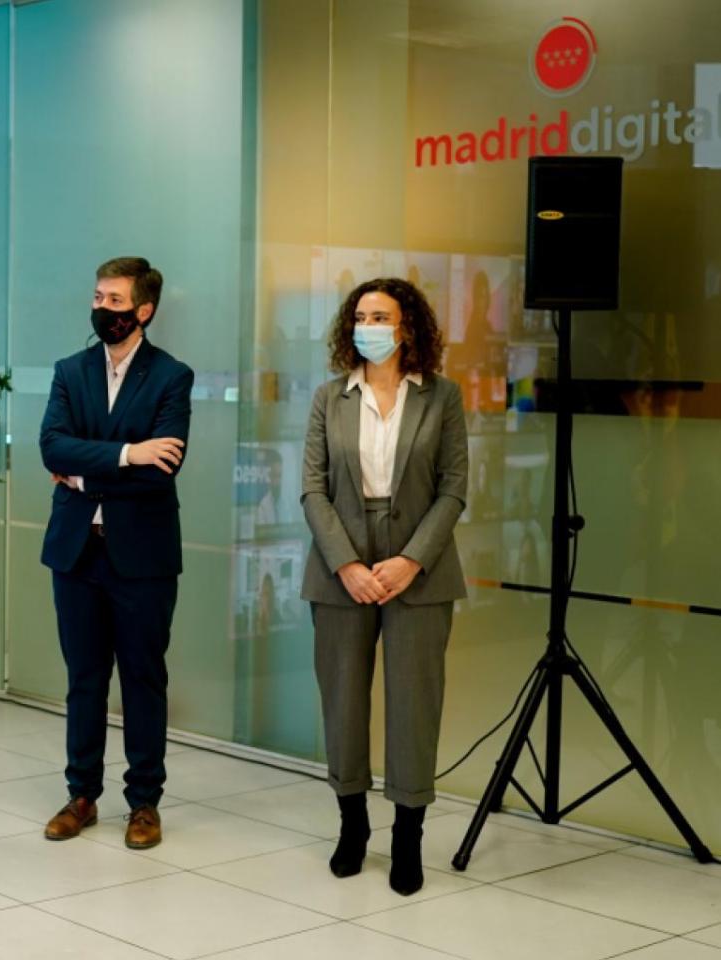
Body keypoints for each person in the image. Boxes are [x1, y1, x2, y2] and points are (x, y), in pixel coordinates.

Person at [301, 277, 467, 897]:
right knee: (343, 702)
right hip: (339, 562)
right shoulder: (328, 398)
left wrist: (410, 561)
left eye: (382, 315)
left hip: (419, 567)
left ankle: (408, 838)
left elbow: (454, 488)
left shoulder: (442, 397)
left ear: (408, 327)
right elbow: (313, 489)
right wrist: (346, 563)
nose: (369, 325)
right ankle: (352, 827)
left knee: (414, 706)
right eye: (361, 315)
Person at [40, 257, 192, 851]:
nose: (102, 308)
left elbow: (166, 466)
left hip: (143, 556)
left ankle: (144, 802)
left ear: (143, 311)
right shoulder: (69, 371)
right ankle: (82, 795)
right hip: (77, 553)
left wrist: (84, 474)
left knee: (143, 679)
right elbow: (51, 444)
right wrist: (129, 454)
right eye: (98, 297)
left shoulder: (171, 377)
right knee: (83, 678)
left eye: (115, 300)